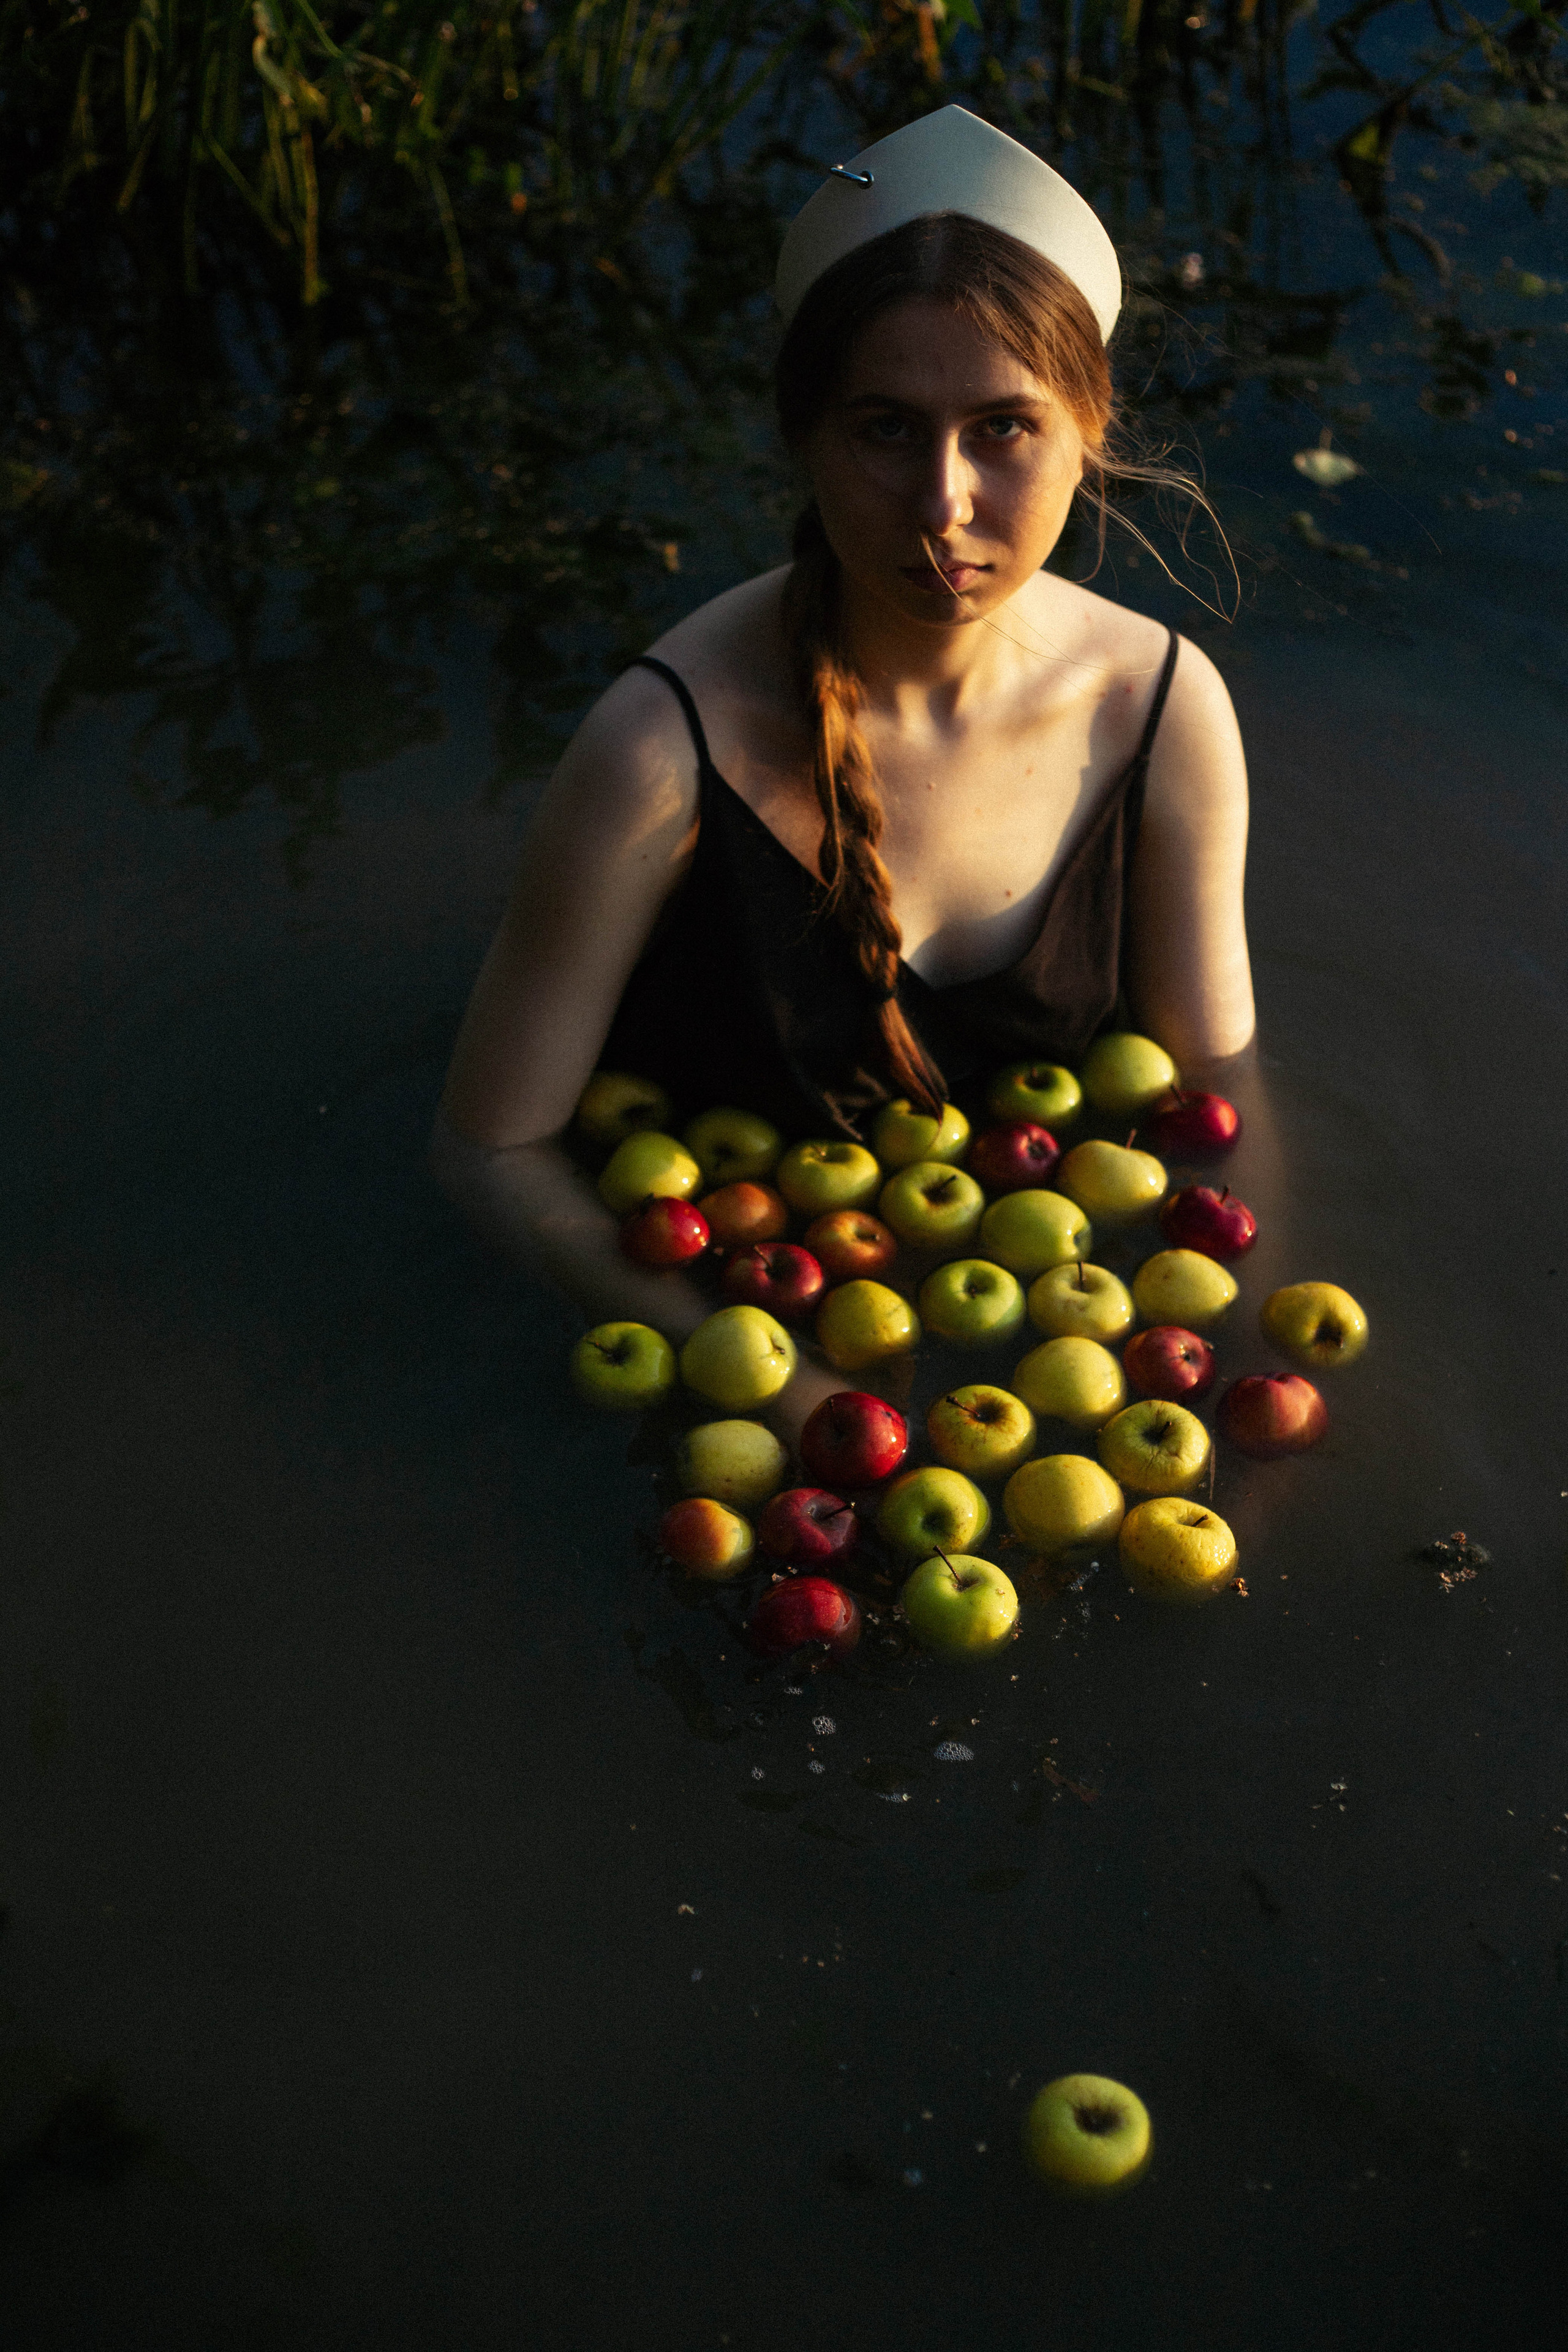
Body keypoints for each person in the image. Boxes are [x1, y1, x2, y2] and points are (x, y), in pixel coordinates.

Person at [433, 107, 1257, 1447]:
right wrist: (779, 1387)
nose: (942, 503)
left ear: (1087, 430)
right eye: (884, 428)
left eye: (1002, 428)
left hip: (1060, 1347)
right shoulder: (659, 751)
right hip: (728, 1348)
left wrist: (1230, 1354)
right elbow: (489, 1151)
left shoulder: (1157, 711)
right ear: (803, 438)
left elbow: (1222, 1096)